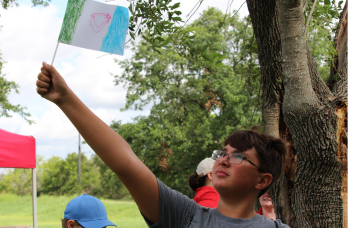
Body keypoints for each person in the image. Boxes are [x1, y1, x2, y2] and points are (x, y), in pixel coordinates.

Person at [36, 62, 290, 228]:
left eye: (238, 157)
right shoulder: (185, 217)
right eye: (222, 152)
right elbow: (126, 164)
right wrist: (66, 100)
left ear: (262, 180)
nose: (222, 159)